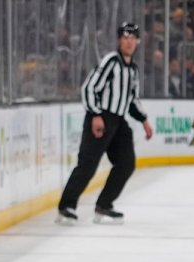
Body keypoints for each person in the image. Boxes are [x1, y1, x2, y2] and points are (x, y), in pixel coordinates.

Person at [56, 22, 153, 225]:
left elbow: (132, 100)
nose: (129, 42)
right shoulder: (111, 62)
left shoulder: (133, 70)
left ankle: (104, 204)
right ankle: (66, 207)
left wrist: (144, 120)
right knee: (88, 165)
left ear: (137, 42)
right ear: (119, 40)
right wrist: (96, 114)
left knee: (126, 163)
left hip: (118, 121)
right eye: (125, 37)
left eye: (132, 38)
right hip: (101, 118)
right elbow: (89, 88)